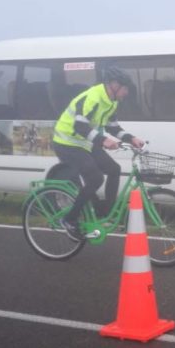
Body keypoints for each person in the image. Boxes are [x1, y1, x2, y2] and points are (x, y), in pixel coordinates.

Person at [52, 67, 146, 241]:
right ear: (115, 85)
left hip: (85, 142)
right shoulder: (93, 98)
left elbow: (112, 127)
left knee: (114, 169)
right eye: (125, 88)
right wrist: (103, 141)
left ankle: (107, 214)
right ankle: (69, 219)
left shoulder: (112, 101)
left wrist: (131, 138)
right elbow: (79, 127)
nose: (126, 92)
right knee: (95, 178)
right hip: (67, 142)